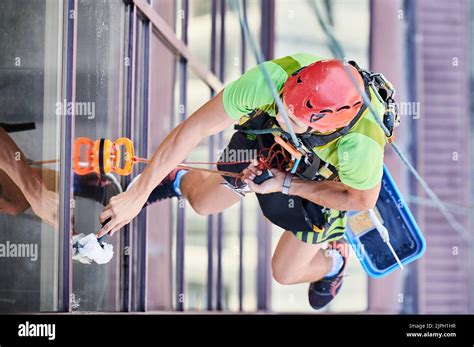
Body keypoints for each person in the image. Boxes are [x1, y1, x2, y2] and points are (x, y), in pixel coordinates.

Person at [97, 52, 390, 309]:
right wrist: (137, 195)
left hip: (327, 174)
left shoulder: (360, 146)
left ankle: (335, 261)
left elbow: (359, 199)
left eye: (292, 116)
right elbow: (194, 129)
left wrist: (286, 184)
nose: (280, 111)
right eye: (282, 103)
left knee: (284, 273)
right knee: (203, 203)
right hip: (271, 139)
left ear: (323, 124)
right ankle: (179, 179)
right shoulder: (272, 79)